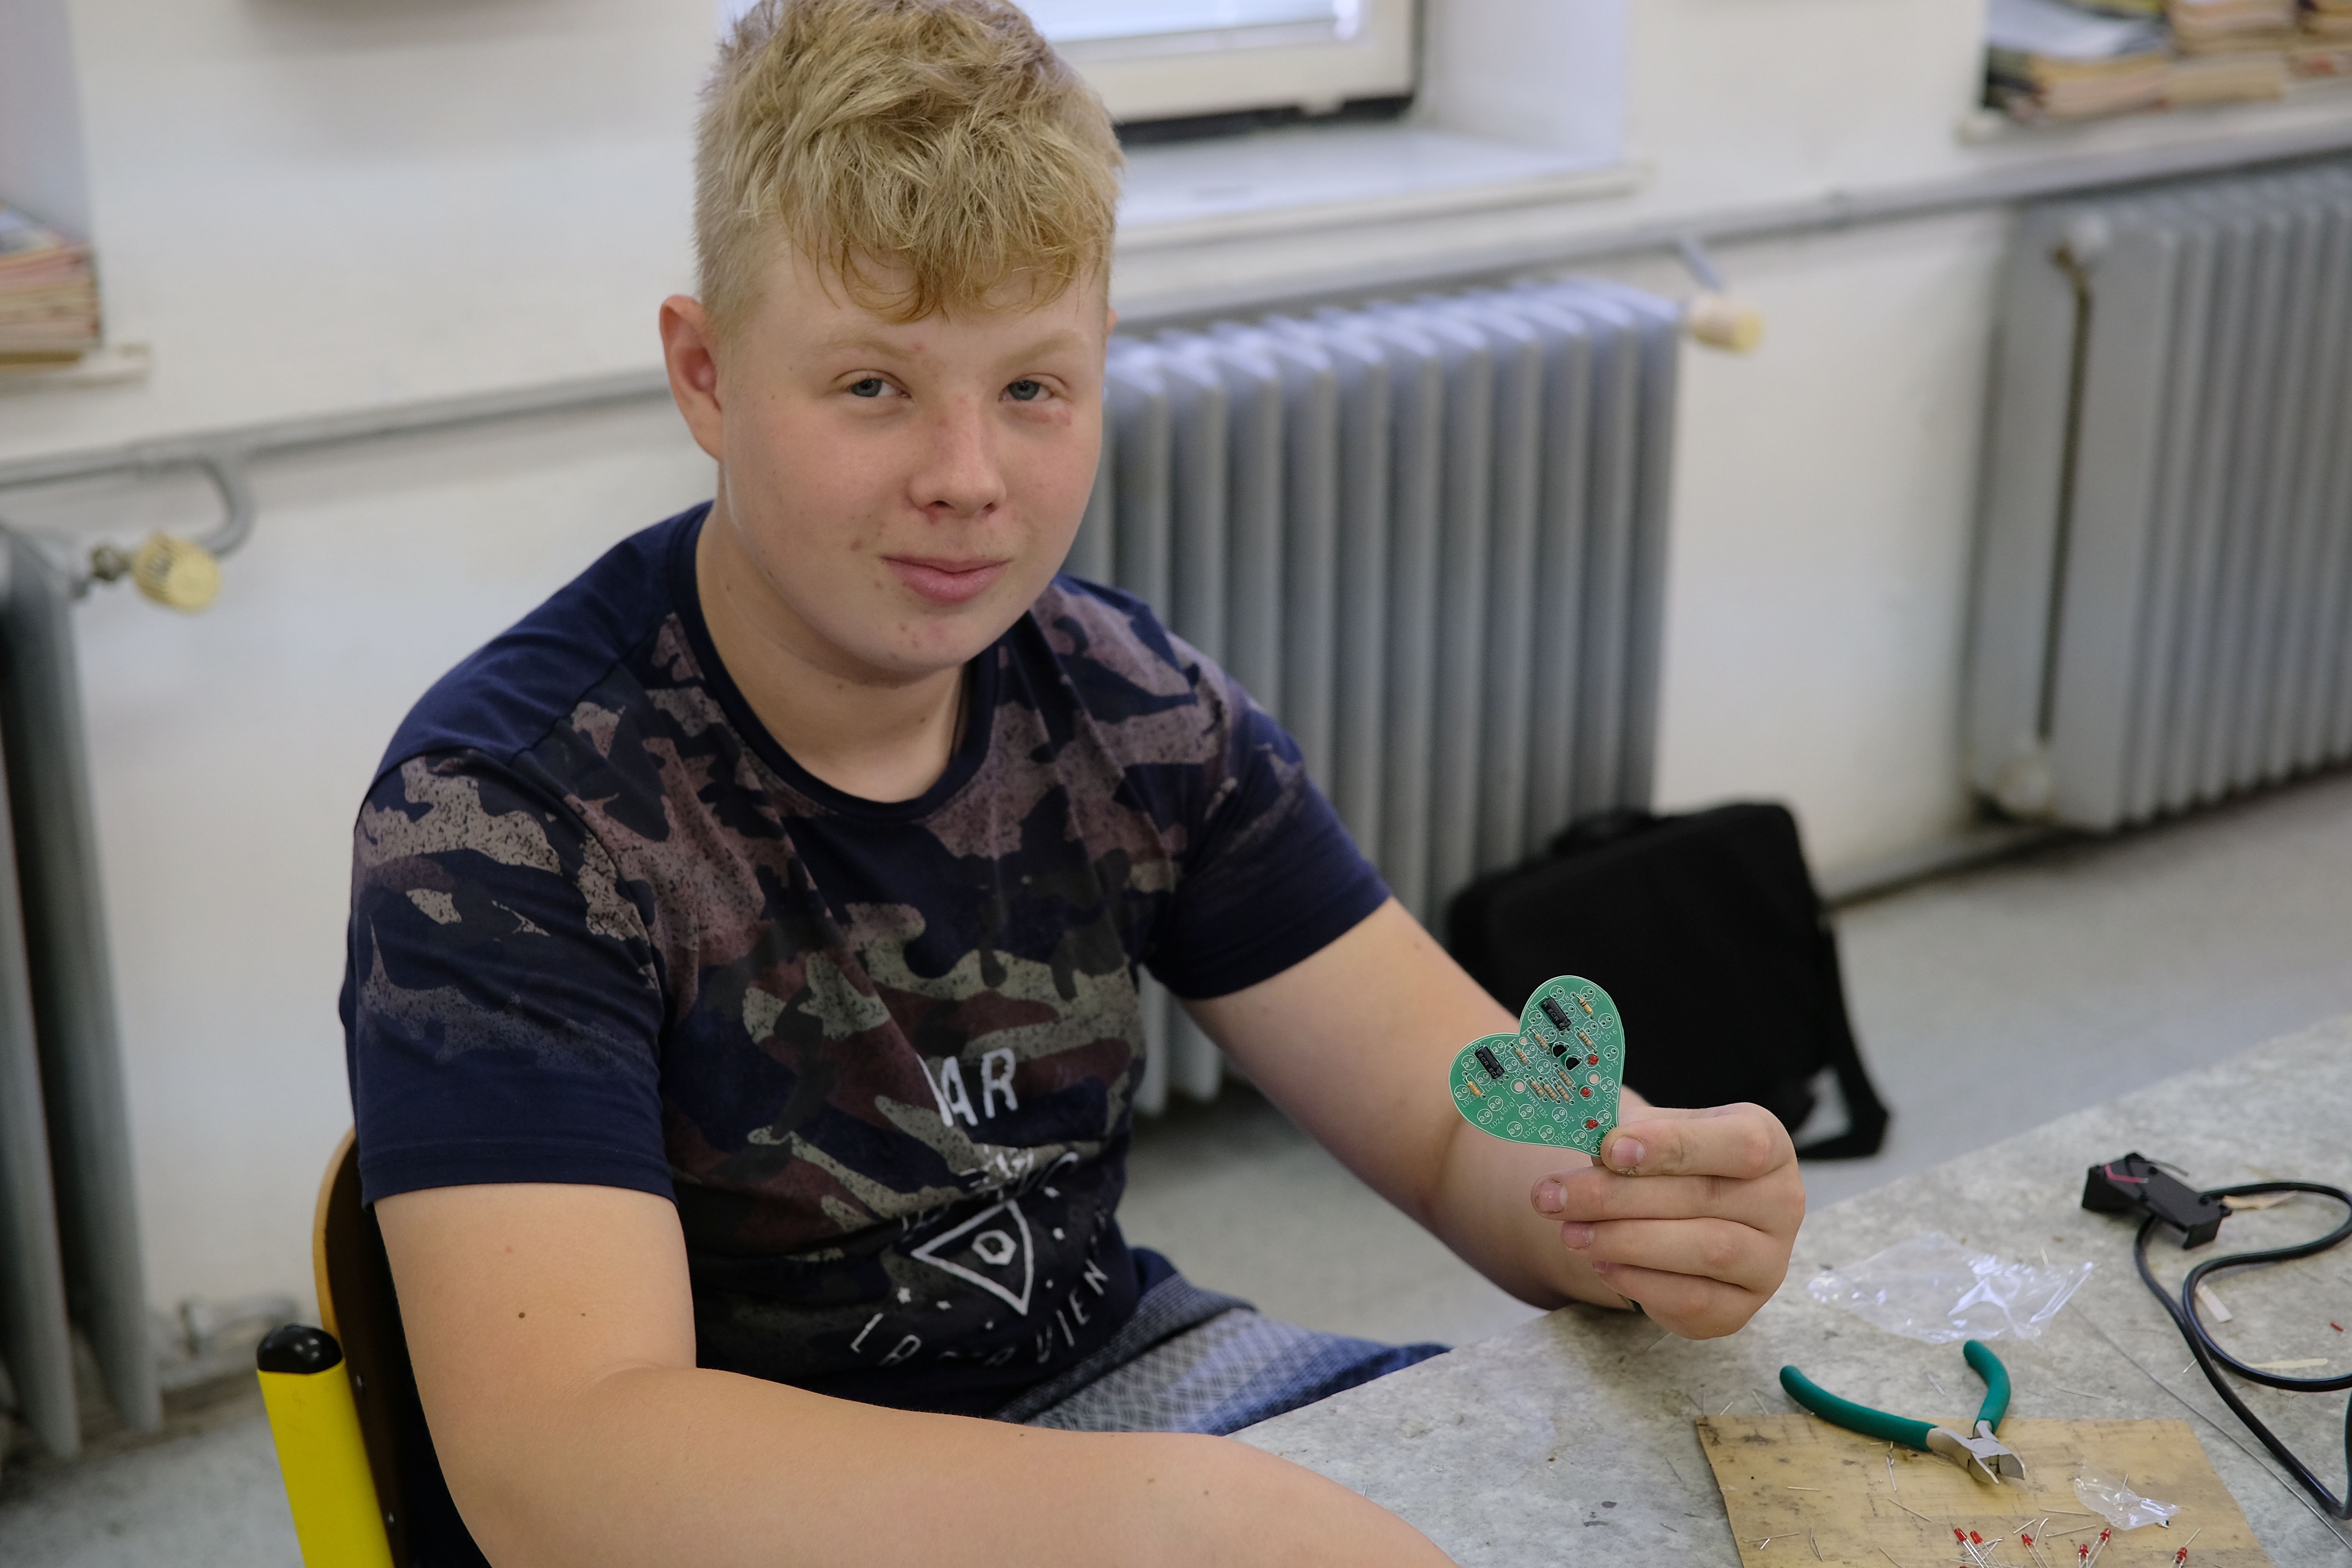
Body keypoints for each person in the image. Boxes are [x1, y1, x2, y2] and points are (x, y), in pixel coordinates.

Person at [343, 2, 1806, 1563]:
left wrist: (1624, 1204)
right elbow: (564, 1463)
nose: (968, 478)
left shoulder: (1134, 710)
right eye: (873, 387)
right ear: (706, 375)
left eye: (1033, 390)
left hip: (1129, 1393)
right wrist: (1177, 1520)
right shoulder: (503, 817)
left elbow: (1455, 1121)